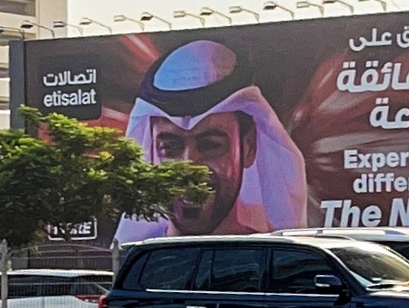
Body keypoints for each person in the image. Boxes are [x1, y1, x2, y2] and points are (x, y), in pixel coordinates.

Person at [117, 39, 311, 242]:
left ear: (248, 146)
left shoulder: (264, 258)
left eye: (210, 146)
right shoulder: (146, 263)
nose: (189, 167)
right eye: (170, 147)